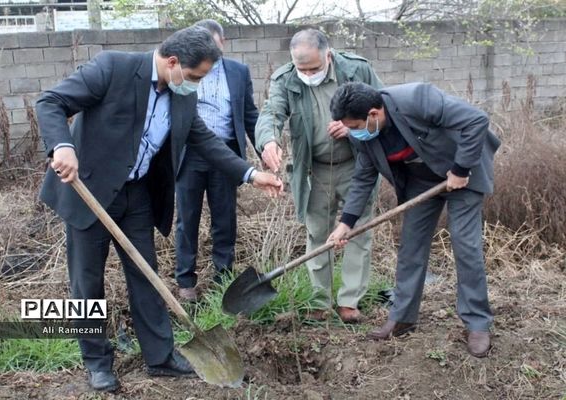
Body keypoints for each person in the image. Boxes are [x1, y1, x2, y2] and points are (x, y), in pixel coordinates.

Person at [36, 26, 283, 392]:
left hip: (137, 195)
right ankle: (97, 363)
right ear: (172, 62)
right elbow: (50, 101)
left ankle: (160, 356)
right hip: (89, 191)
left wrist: (249, 174)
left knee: (146, 276)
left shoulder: (181, 94)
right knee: (86, 283)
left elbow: (203, 139)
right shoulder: (113, 68)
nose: (197, 85)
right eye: (195, 76)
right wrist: (62, 146)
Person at [327, 82, 500, 357]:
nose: (354, 132)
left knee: (465, 247)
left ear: (374, 114)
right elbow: (362, 179)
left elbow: (476, 119)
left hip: (463, 172)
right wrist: (346, 223)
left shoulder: (417, 99)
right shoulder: (363, 135)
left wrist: (460, 168)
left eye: (356, 125)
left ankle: (477, 323)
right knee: (410, 247)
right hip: (421, 180)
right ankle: (403, 317)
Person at [255, 29, 383, 323]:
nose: (308, 74)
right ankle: (319, 300)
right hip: (315, 170)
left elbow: (381, 110)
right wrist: (269, 141)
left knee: (358, 230)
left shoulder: (356, 68)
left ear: (328, 54)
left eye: (314, 68)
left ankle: (350, 302)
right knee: (317, 233)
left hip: (357, 166)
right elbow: (271, 114)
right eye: (302, 69)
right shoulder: (285, 79)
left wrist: (354, 129)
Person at [174, 20, 259, 302]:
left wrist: (264, 147)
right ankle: (186, 280)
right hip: (190, 154)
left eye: (213, 43)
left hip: (226, 155)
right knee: (187, 219)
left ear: (223, 42)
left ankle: (224, 276)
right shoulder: (182, 72)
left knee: (225, 218)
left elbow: (249, 115)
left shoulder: (238, 71)